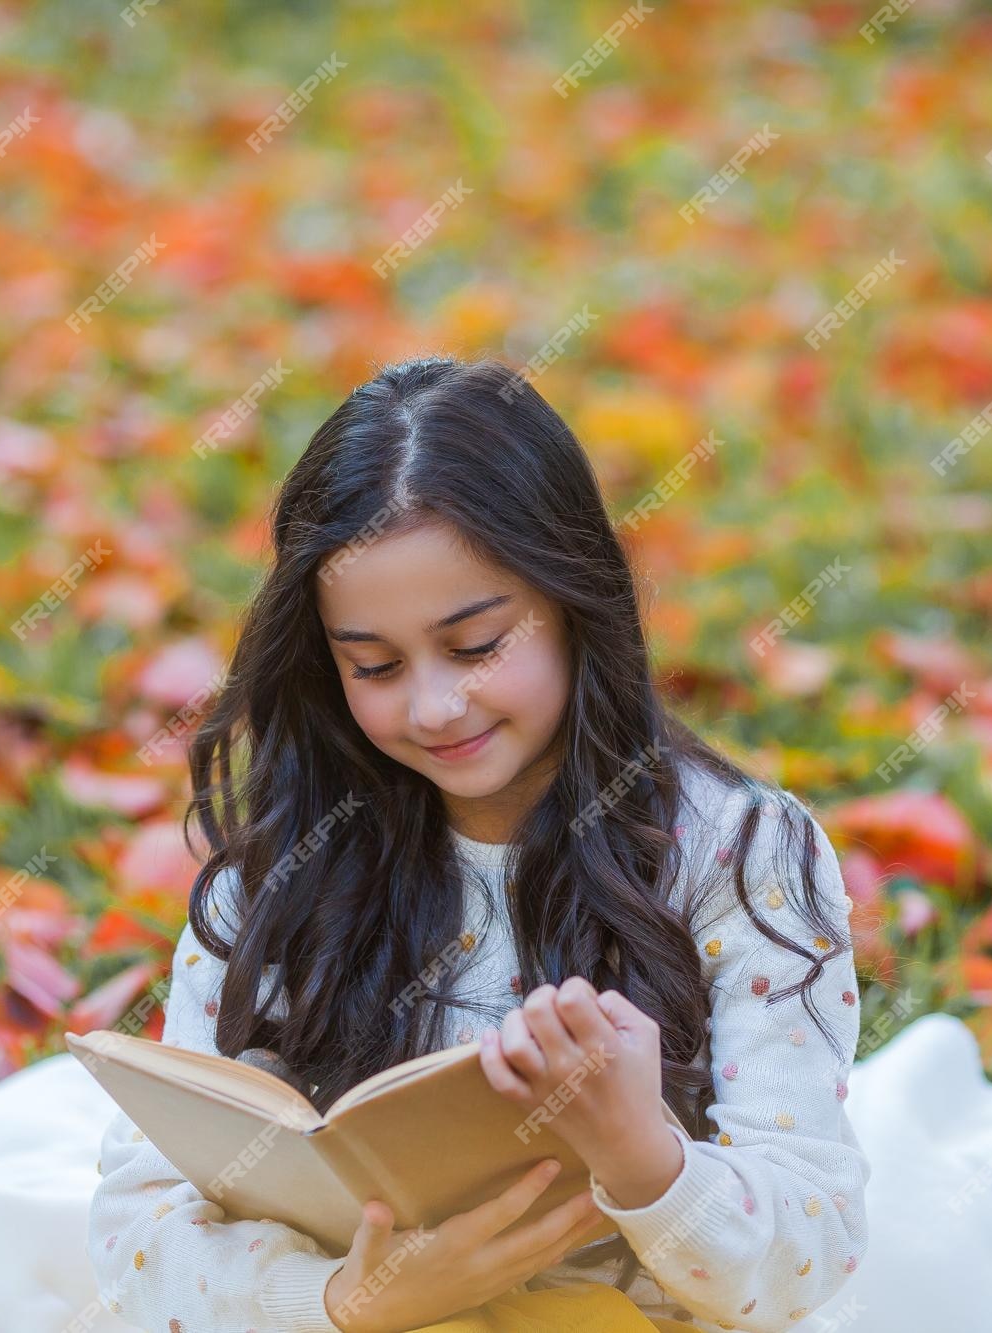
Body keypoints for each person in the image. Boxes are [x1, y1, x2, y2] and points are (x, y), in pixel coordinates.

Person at [88, 356, 869, 1331]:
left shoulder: (731, 852)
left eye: (475, 646)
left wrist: (640, 1155)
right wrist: (345, 1299)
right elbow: (133, 1233)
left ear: (573, 600)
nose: (432, 705)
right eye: (372, 665)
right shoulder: (283, 870)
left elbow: (808, 1254)